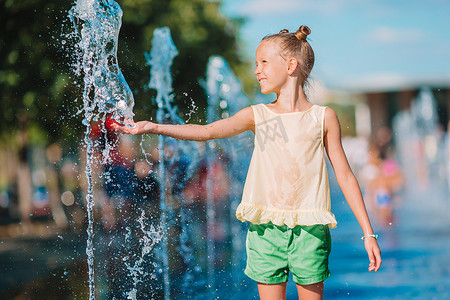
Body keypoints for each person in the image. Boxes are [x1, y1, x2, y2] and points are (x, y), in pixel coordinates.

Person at [113, 25, 381, 300]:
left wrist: (368, 234)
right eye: (256, 63)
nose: (257, 70)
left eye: (264, 62)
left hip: (310, 231)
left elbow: (346, 177)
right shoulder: (258, 115)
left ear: (291, 65)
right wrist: (155, 128)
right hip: (266, 230)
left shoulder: (323, 117)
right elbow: (207, 131)